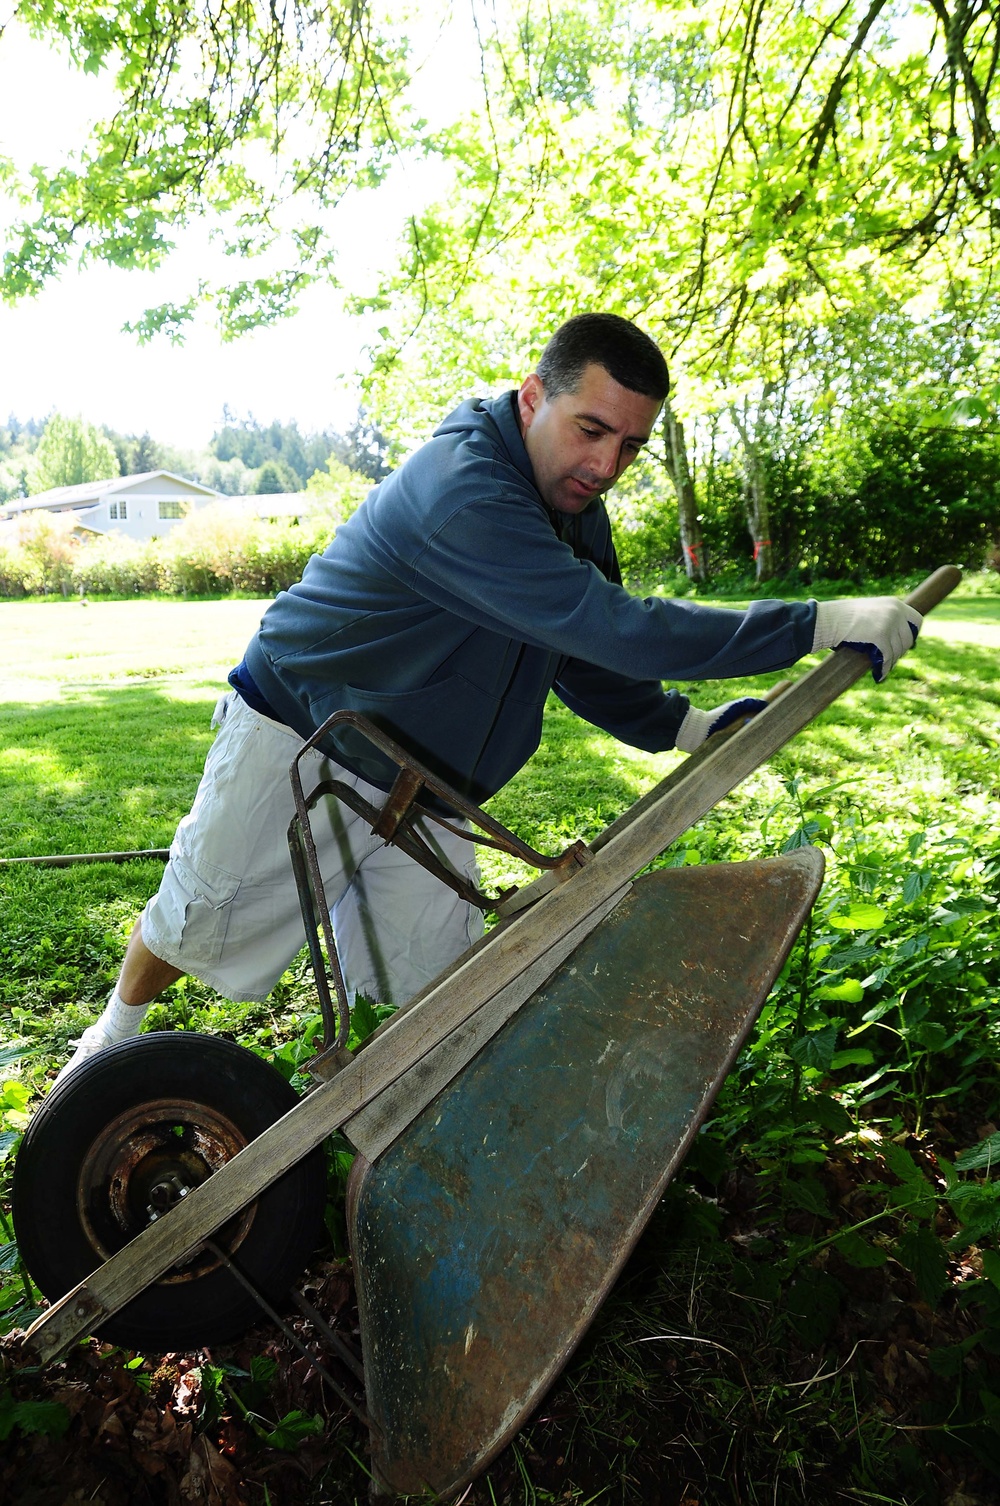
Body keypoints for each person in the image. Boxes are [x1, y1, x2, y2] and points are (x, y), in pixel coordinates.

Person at [55, 313, 921, 1082]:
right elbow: (614, 624)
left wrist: (683, 726)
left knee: (435, 989)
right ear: (532, 395)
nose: (605, 464)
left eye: (629, 447)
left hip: (423, 782)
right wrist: (818, 621)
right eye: (591, 430)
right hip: (304, 734)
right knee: (198, 917)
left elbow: (580, 656)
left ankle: (387, 1124)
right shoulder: (462, 489)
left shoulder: (573, 505)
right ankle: (106, 1041)